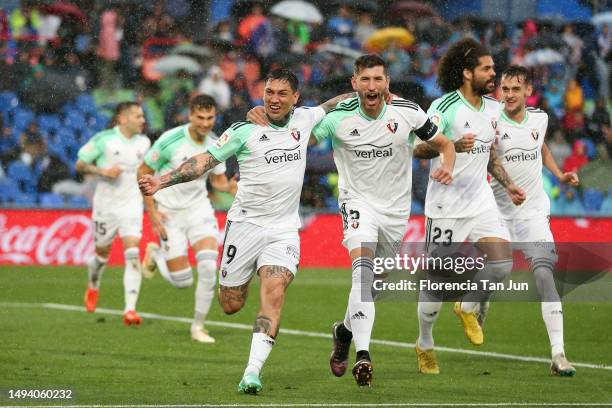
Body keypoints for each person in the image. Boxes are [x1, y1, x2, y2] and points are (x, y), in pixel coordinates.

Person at [138, 69, 350, 394]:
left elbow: (335, 103)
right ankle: (241, 278)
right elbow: (204, 161)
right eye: (269, 93)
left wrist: (373, 93)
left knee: (275, 292)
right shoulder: (244, 130)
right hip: (245, 226)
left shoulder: (306, 120)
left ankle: (252, 372)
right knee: (231, 304)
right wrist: (161, 181)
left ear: (296, 98)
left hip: (283, 230)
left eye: (282, 93)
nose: (274, 99)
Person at [311, 54, 456, 387]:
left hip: (395, 212)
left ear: (387, 82)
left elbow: (444, 144)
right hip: (357, 204)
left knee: (374, 285)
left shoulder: (407, 112)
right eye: (365, 80)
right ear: (354, 84)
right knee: (362, 275)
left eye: (378, 79)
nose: (372, 86)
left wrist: (448, 163)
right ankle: (364, 354)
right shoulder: (337, 118)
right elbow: (298, 139)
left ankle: (344, 332)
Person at [413, 38, 525, 374]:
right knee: (436, 282)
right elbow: (419, 149)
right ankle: (425, 342)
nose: (494, 74)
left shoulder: (493, 109)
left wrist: (508, 184)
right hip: (446, 206)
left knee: (503, 263)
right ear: (466, 73)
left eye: (493, 67)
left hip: (481, 200)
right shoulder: (444, 107)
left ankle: (468, 305)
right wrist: (452, 146)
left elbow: (489, 156)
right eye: (487, 68)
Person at [492, 65, 578, 376]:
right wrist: (505, 185)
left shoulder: (539, 119)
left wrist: (559, 174)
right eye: (505, 88)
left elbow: (539, 145)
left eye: (516, 89)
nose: (509, 95)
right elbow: (486, 158)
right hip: (497, 214)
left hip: (533, 212)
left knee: (544, 277)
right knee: (497, 272)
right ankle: (477, 303)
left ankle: (558, 354)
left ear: (528, 91)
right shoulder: (492, 122)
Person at [137, 94, 237, 343]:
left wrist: (231, 187)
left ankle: (198, 327)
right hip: (169, 212)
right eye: (200, 117)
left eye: (210, 118)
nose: (205, 123)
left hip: (199, 210)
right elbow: (143, 172)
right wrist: (153, 213)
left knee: (207, 267)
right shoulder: (170, 140)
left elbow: (217, 181)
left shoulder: (216, 144)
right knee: (182, 281)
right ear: (190, 115)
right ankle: (156, 254)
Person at [76, 102, 150, 325]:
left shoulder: (145, 143)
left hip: (132, 206)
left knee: (132, 254)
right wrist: (103, 171)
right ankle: (93, 284)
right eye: (138, 116)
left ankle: (130, 309)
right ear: (123, 118)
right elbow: (80, 164)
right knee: (101, 256)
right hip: (105, 206)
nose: (143, 120)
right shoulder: (104, 139)